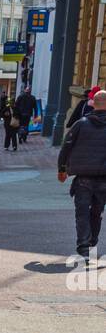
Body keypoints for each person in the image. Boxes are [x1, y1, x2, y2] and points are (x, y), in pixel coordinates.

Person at [57, 88, 106, 262]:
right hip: (103, 179)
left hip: (83, 177)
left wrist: (62, 169)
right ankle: (91, 244)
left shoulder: (81, 123)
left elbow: (66, 147)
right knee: (96, 213)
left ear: (93, 104)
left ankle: (84, 249)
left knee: (82, 213)